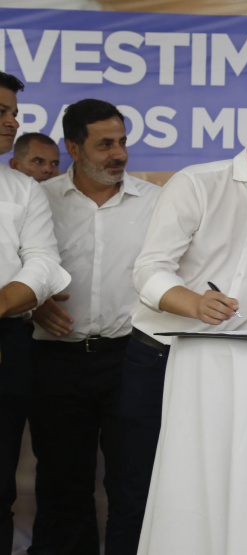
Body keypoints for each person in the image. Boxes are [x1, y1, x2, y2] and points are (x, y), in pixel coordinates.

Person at [105, 96, 247, 555]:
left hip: (236, 368)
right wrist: (193, 303)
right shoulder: (197, 184)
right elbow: (149, 270)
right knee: (138, 488)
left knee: (218, 492)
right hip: (159, 360)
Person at [27, 99, 159, 555]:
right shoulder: (39, 200)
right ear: (73, 148)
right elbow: (15, 268)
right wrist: (31, 303)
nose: (118, 154)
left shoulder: (155, 203)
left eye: (122, 142)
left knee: (133, 482)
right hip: (55, 360)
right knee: (62, 484)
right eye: (105, 145)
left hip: (131, 360)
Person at [0, 71, 70, 554]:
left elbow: (43, 263)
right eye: (1, 112)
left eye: (13, 112)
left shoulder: (23, 190)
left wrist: (4, 302)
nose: (12, 121)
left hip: (7, 343)